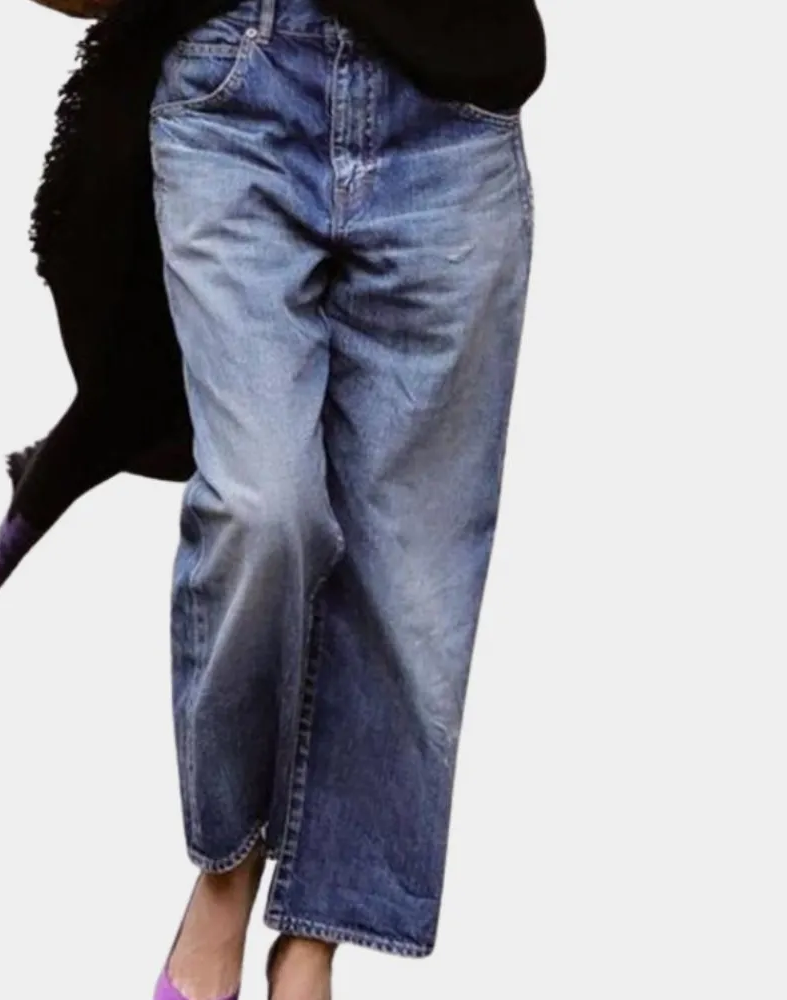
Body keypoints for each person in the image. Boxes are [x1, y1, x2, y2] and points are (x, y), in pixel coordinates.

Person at [146, 1, 542, 998]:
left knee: (412, 571)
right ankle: (227, 868)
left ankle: (313, 940)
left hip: (450, 112)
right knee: (259, 505)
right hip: (238, 75)